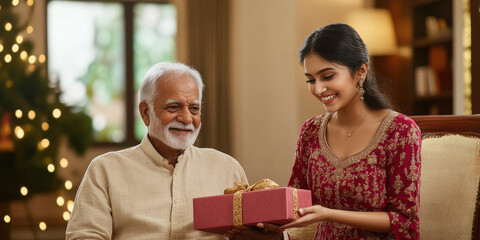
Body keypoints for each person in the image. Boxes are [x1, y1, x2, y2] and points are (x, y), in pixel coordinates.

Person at [226, 23, 421, 240]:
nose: (318, 89)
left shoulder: (400, 131)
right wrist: (265, 225)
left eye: (327, 76)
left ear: (361, 71)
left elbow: (405, 222)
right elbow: (295, 202)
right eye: (311, 80)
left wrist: (329, 214)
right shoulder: (311, 131)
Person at [66, 62, 248, 240]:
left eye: (194, 109)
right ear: (146, 112)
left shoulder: (227, 168)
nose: (186, 118)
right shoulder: (105, 170)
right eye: (173, 107)